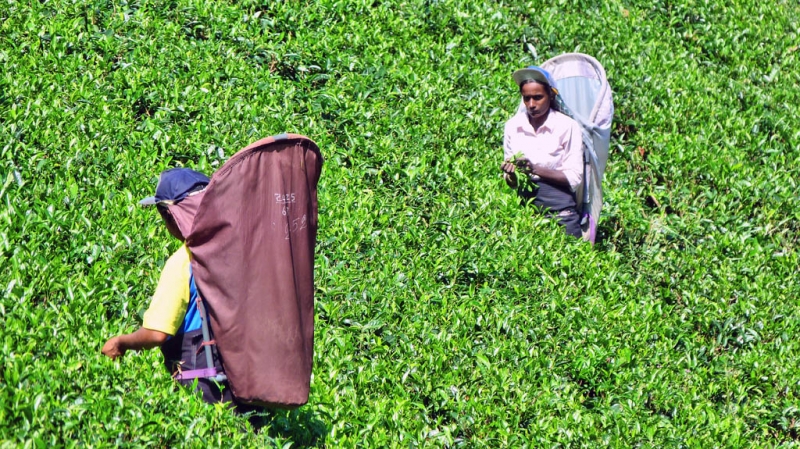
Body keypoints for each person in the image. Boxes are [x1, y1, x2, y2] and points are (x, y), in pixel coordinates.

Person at [102, 167, 237, 405]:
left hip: (203, 387)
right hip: (244, 382)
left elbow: (157, 333)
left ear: (171, 216)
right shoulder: (239, 252)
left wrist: (121, 342)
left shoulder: (183, 263)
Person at [500, 66, 584, 238]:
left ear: (551, 95)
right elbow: (512, 182)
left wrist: (535, 169)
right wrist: (512, 175)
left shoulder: (567, 126)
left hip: (561, 213)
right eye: (526, 98)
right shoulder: (513, 126)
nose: (531, 104)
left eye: (538, 98)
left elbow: (574, 177)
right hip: (526, 213)